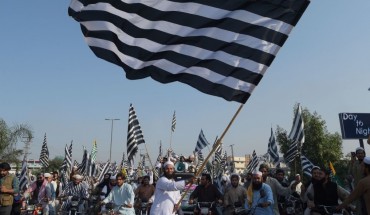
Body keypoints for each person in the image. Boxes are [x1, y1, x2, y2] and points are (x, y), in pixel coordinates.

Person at [348, 147, 366, 215]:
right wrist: (352, 160)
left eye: (361, 153)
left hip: (366, 188)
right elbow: (350, 173)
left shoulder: (367, 163)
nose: (360, 155)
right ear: (356, 155)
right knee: (359, 206)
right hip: (357, 188)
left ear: (364, 154)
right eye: (358, 153)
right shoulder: (355, 163)